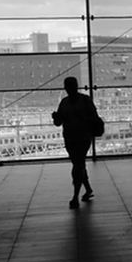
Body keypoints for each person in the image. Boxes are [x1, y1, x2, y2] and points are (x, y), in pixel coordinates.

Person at [51, 76, 100, 208]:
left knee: (77, 164)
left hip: (71, 138)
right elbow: (94, 118)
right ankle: (87, 189)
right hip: (83, 137)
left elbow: (58, 123)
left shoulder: (64, 102)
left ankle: (75, 197)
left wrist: (56, 117)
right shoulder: (85, 100)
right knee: (79, 164)